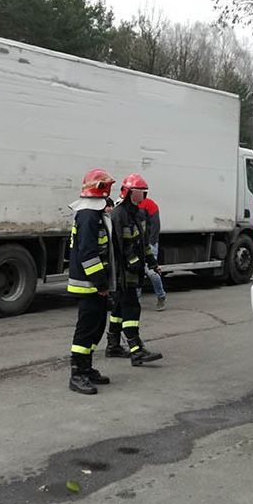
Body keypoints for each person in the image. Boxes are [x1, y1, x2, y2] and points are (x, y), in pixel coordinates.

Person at [104, 174, 164, 365]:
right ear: (129, 192)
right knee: (131, 308)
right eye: (139, 192)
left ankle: (113, 346)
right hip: (123, 273)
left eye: (143, 193)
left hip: (134, 270)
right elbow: (118, 248)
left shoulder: (138, 214)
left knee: (120, 308)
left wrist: (152, 262)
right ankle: (136, 350)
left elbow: (143, 243)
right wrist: (132, 262)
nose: (142, 196)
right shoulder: (118, 215)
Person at [66, 168, 115, 395]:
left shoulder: (93, 213)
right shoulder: (88, 215)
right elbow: (88, 254)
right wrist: (101, 284)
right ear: (101, 188)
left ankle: (86, 368)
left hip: (95, 285)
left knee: (96, 327)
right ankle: (77, 374)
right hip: (89, 285)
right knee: (86, 329)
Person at [138, 196, 166, 311]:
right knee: (137, 271)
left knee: (152, 273)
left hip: (149, 243)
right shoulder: (128, 206)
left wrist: (151, 243)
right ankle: (136, 302)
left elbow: (155, 225)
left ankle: (161, 296)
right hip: (136, 244)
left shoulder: (149, 204)